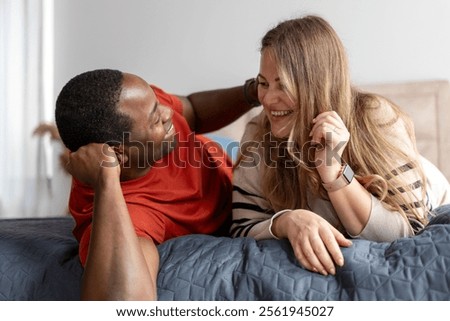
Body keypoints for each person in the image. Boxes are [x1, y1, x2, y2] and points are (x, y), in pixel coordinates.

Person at [231, 15, 450, 277]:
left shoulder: (374, 117)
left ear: (316, 85)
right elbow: (242, 227)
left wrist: (333, 170)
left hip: (432, 203)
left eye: (283, 85)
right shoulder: (259, 132)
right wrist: (287, 221)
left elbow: (408, 231)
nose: (267, 98)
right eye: (263, 83)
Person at [55, 68, 259, 300]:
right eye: (155, 120)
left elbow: (192, 110)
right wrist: (107, 178)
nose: (167, 111)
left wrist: (250, 92)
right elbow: (125, 304)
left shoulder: (137, 104)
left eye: (156, 101)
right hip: (243, 207)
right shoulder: (129, 211)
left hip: (235, 169)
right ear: (120, 155)